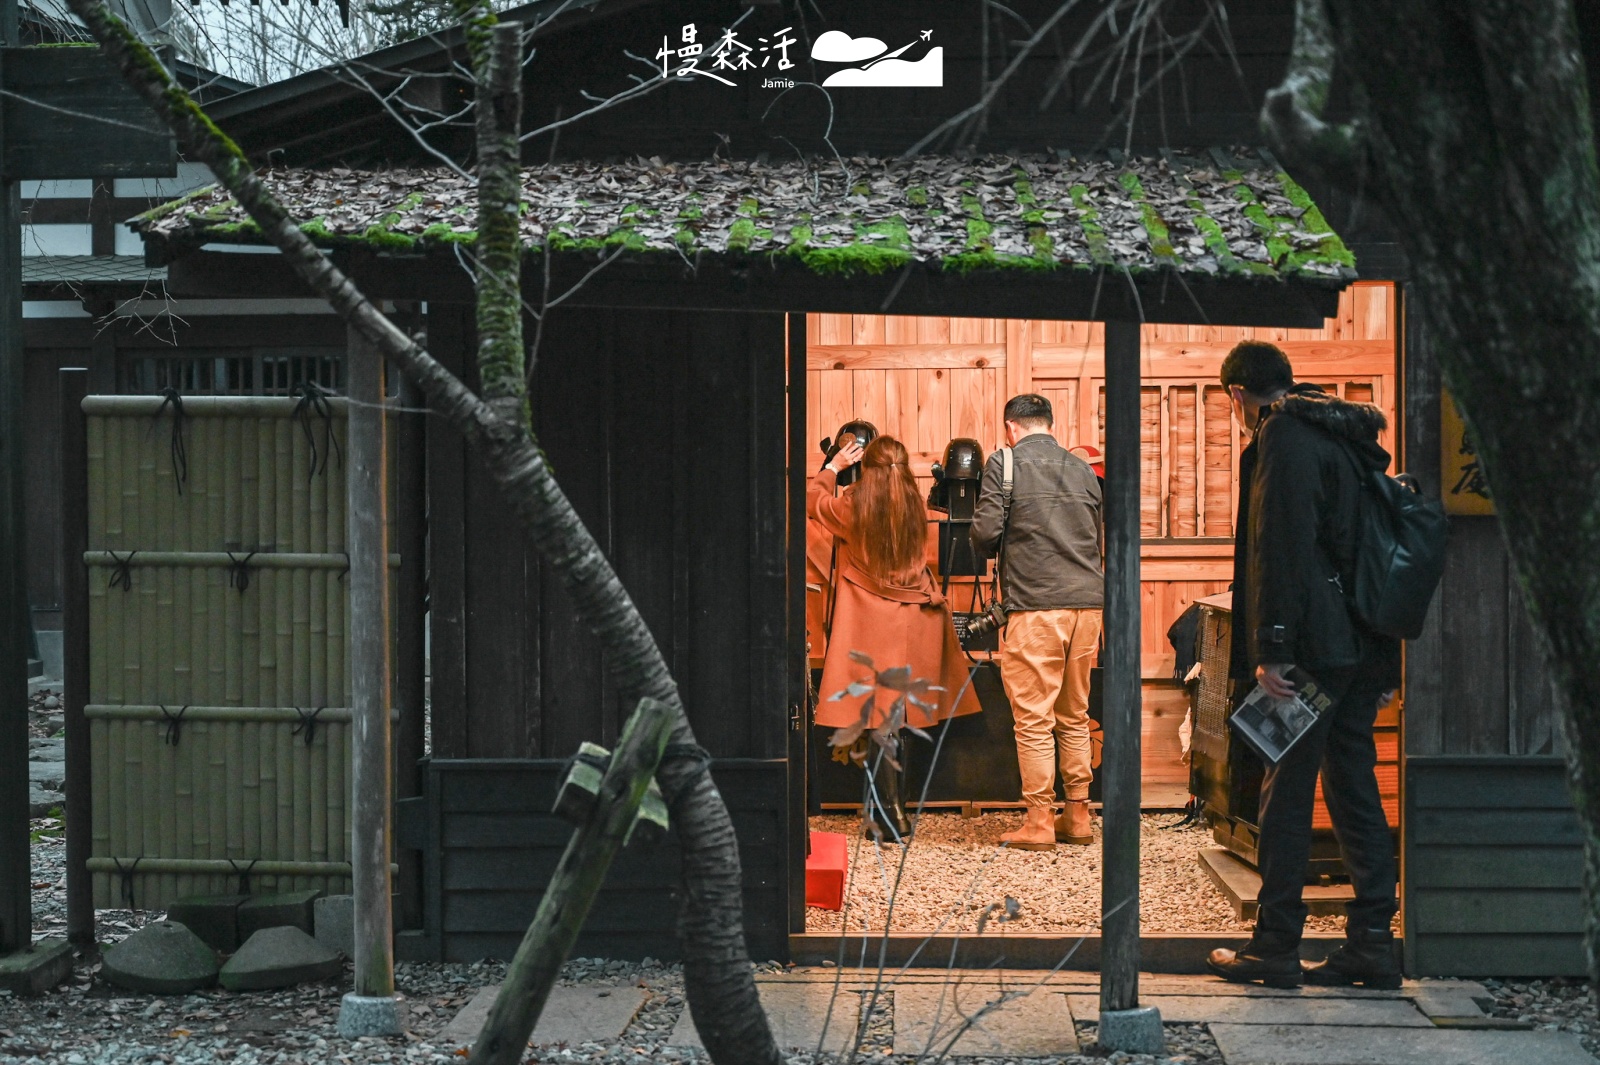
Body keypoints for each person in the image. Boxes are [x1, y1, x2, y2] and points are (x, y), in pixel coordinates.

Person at [1206, 341, 1402, 989]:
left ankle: (1275, 944)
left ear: (1238, 395)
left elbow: (1279, 547)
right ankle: (1373, 940)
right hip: (1359, 642)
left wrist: (1273, 649)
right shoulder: (1340, 431)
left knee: (1285, 788)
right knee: (1352, 785)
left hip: (1311, 648)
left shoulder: (1284, 435)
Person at [808, 434, 982, 840]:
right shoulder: (915, 507)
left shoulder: (853, 506)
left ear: (866, 468)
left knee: (878, 717)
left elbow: (812, 502)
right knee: (900, 718)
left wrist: (832, 469)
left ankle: (891, 817)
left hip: (872, 622)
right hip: (916, 620)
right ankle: (895, 812)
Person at [970, 394, 1104, 851]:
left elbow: (985, 535)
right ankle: (1079, 816)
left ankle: (1039, 822)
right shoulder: (1082, 467)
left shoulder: (1004, 462)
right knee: (1075, 713)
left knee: (1032, 719)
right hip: (1088, 606)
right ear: (1048, 424)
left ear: (1011, 427)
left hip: (1035, 606)